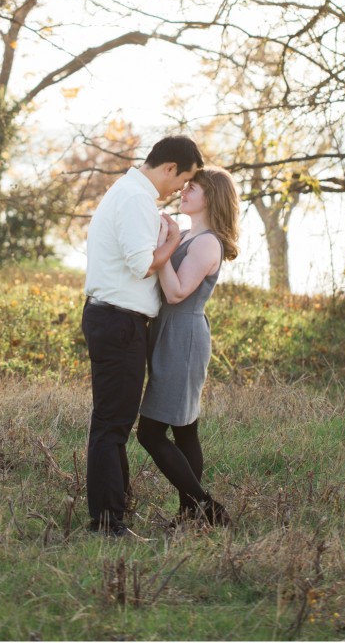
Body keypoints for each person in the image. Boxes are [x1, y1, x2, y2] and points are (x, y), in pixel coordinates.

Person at [82, 135, 204, 537]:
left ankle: (116, 510)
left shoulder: (132, 193)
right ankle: (106, 522)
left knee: (114, 422)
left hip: (117, 321)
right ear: (169, 168)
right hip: (118, 322)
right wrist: (172, 241)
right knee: (111, 425)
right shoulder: (135, 199)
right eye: (181, 179)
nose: (178, 189)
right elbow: (141, 266)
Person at [137, 166, 240, 527]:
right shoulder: (187, 236)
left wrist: (165, 247)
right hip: (168, 333)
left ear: (211, 196)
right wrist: (168, 240)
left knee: (149, 433)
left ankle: (207, 507)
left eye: (192, 188)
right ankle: (189, 514)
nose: (183, 191)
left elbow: (178, 291)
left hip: (184, 337)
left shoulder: (208, 241)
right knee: (185, 429)